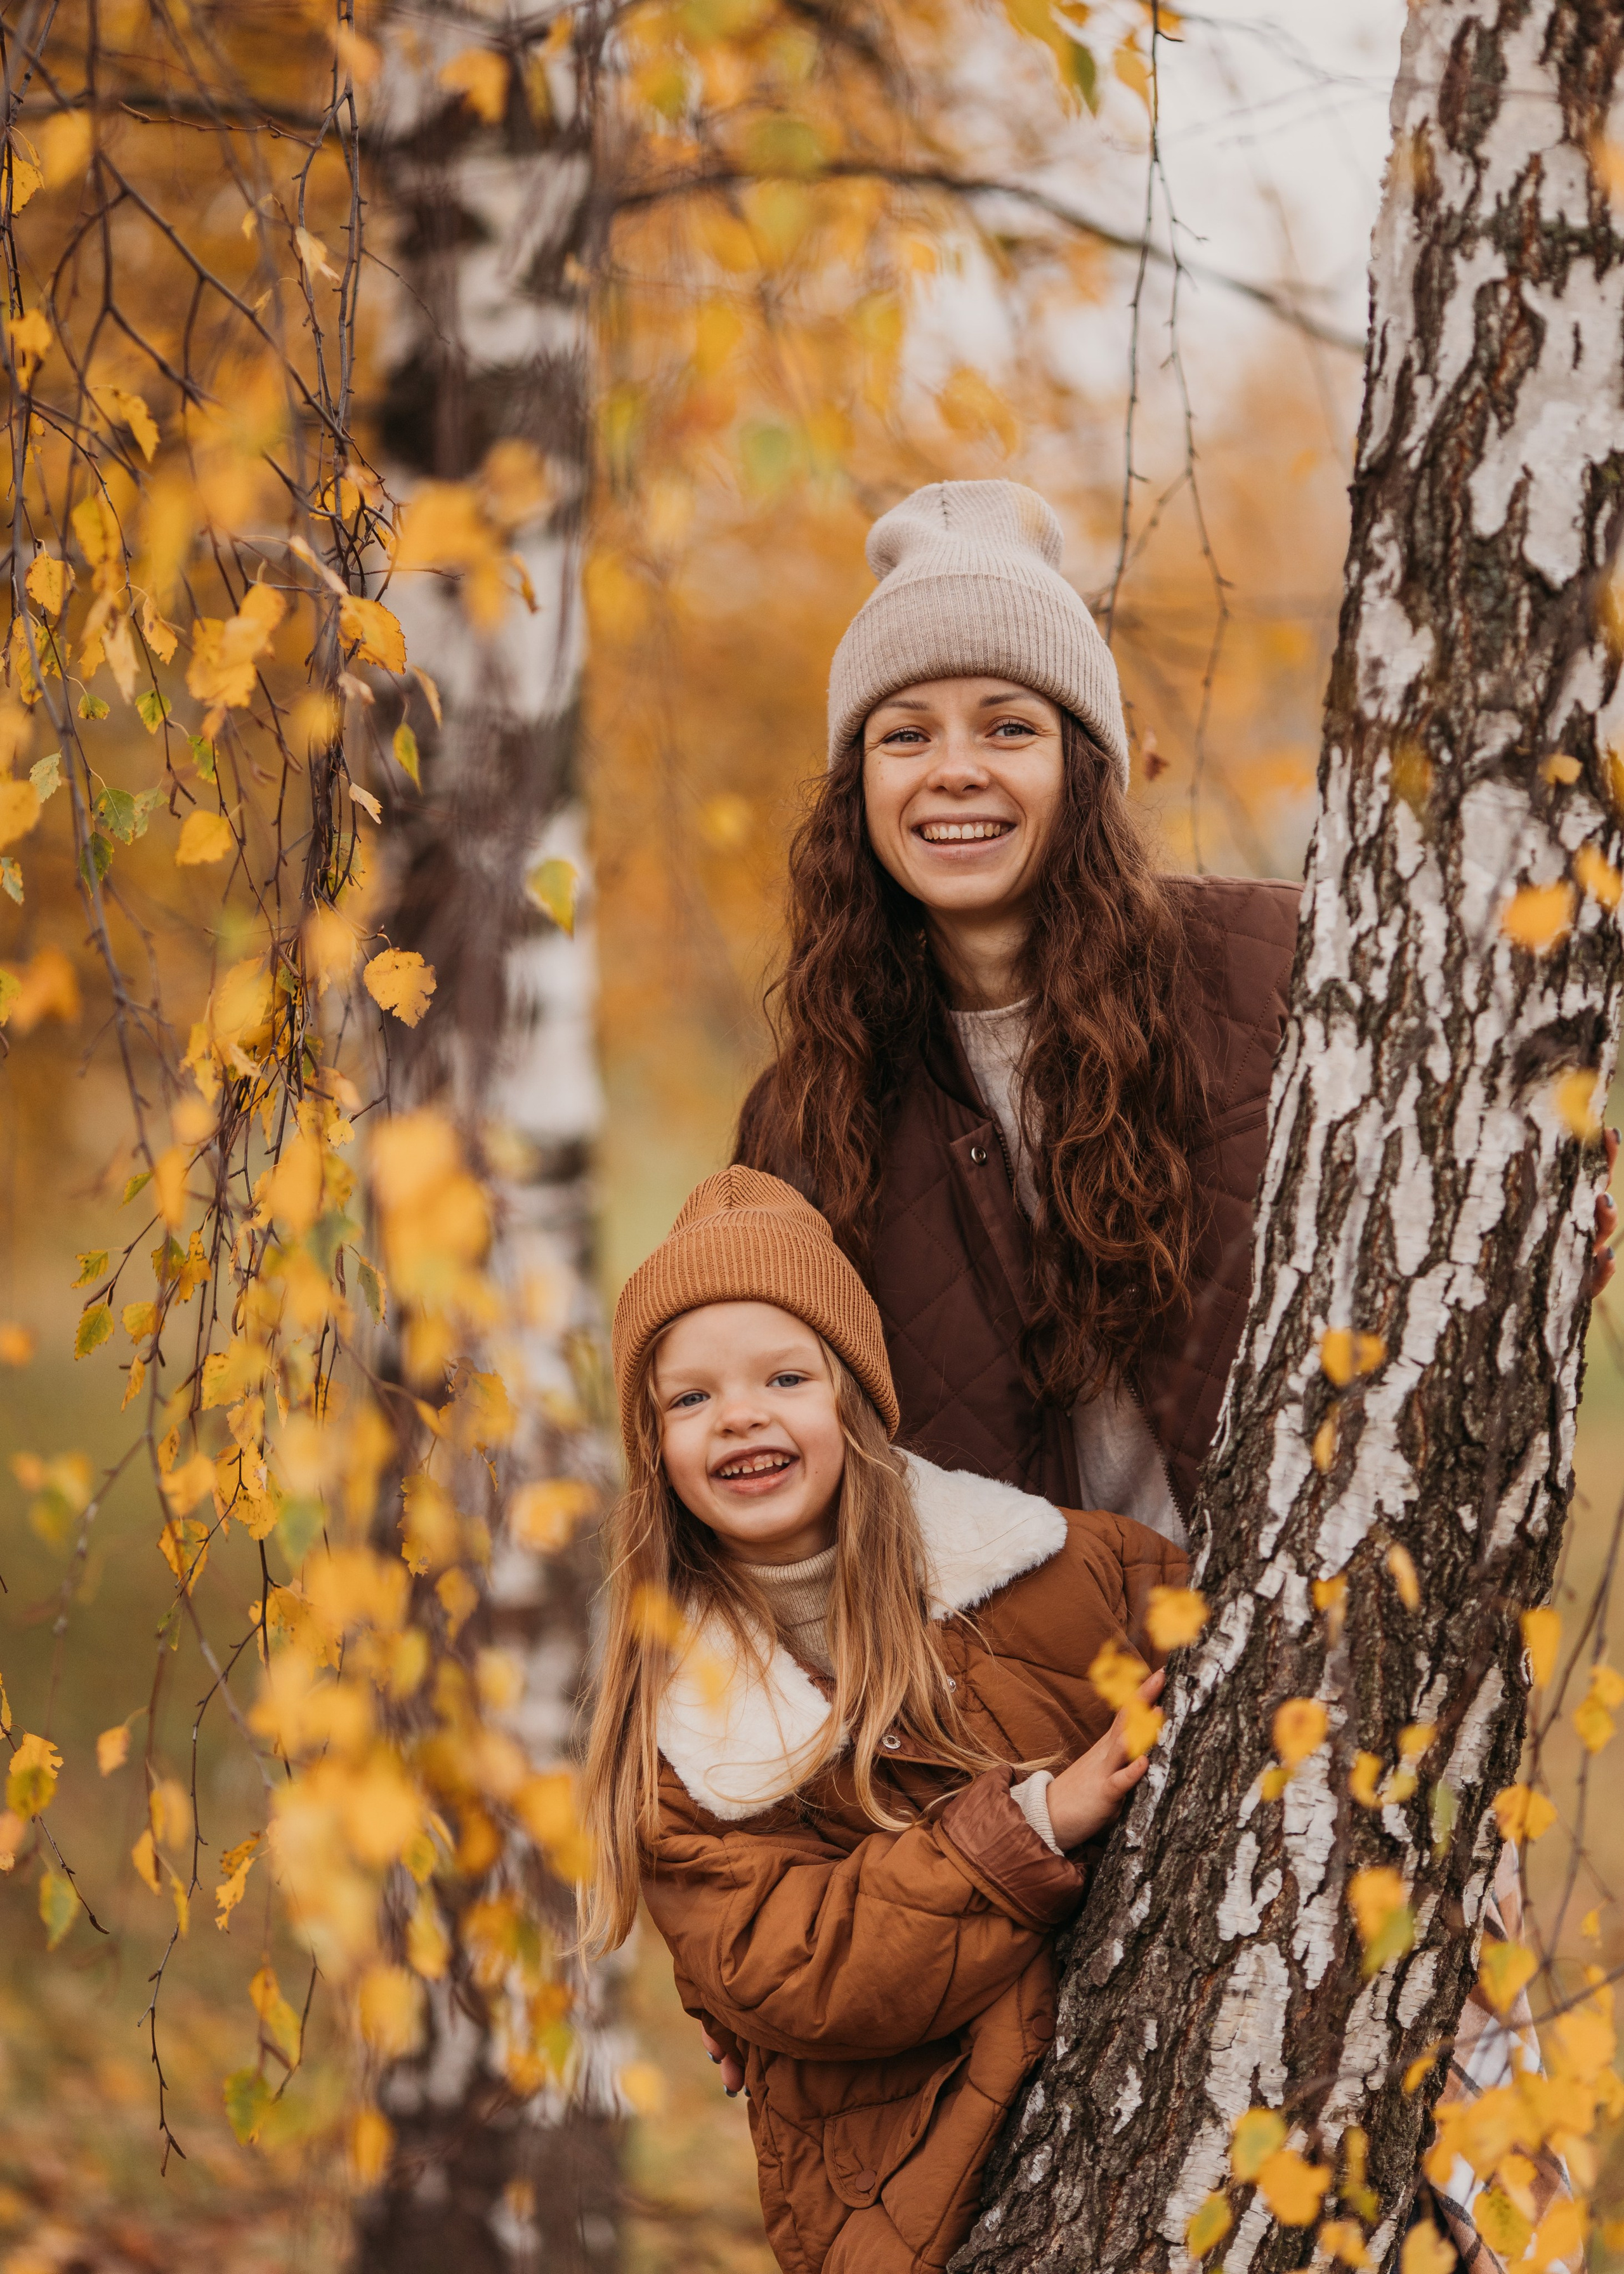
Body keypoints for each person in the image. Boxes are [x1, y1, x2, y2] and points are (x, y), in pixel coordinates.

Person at [733, 478, 1619, 1546]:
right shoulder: (807, 1114)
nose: (954, 772)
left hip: (1302, 1655)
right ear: (857, 786)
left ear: (1083, 764)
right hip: (1024, 1702)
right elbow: (784, 1502)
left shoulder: (1288, 969)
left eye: (1008, 728)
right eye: (905, 736)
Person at [581, 1167, 1184, 2274]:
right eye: (690, 1397)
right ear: (653, 1450)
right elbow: (806, 1972)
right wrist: (1036, 1822)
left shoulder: (1065, 1567)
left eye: (785, 1375)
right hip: (916, 2215)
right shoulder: (677, 1737)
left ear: (855, 1397)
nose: (742, 1416)